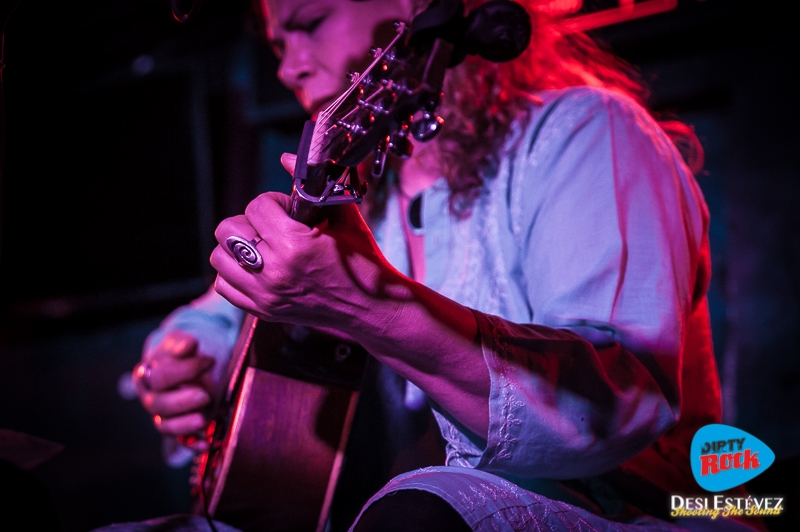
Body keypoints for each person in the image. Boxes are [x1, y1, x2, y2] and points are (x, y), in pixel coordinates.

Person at [128, 0, 764, 531]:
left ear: (410, 7)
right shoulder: (356, 194)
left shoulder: (586, 132)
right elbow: (216, 317)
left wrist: (364, 304)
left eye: (310, 22)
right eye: (275, 44)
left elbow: (617, 404)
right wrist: (187, 366)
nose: (290, 64)